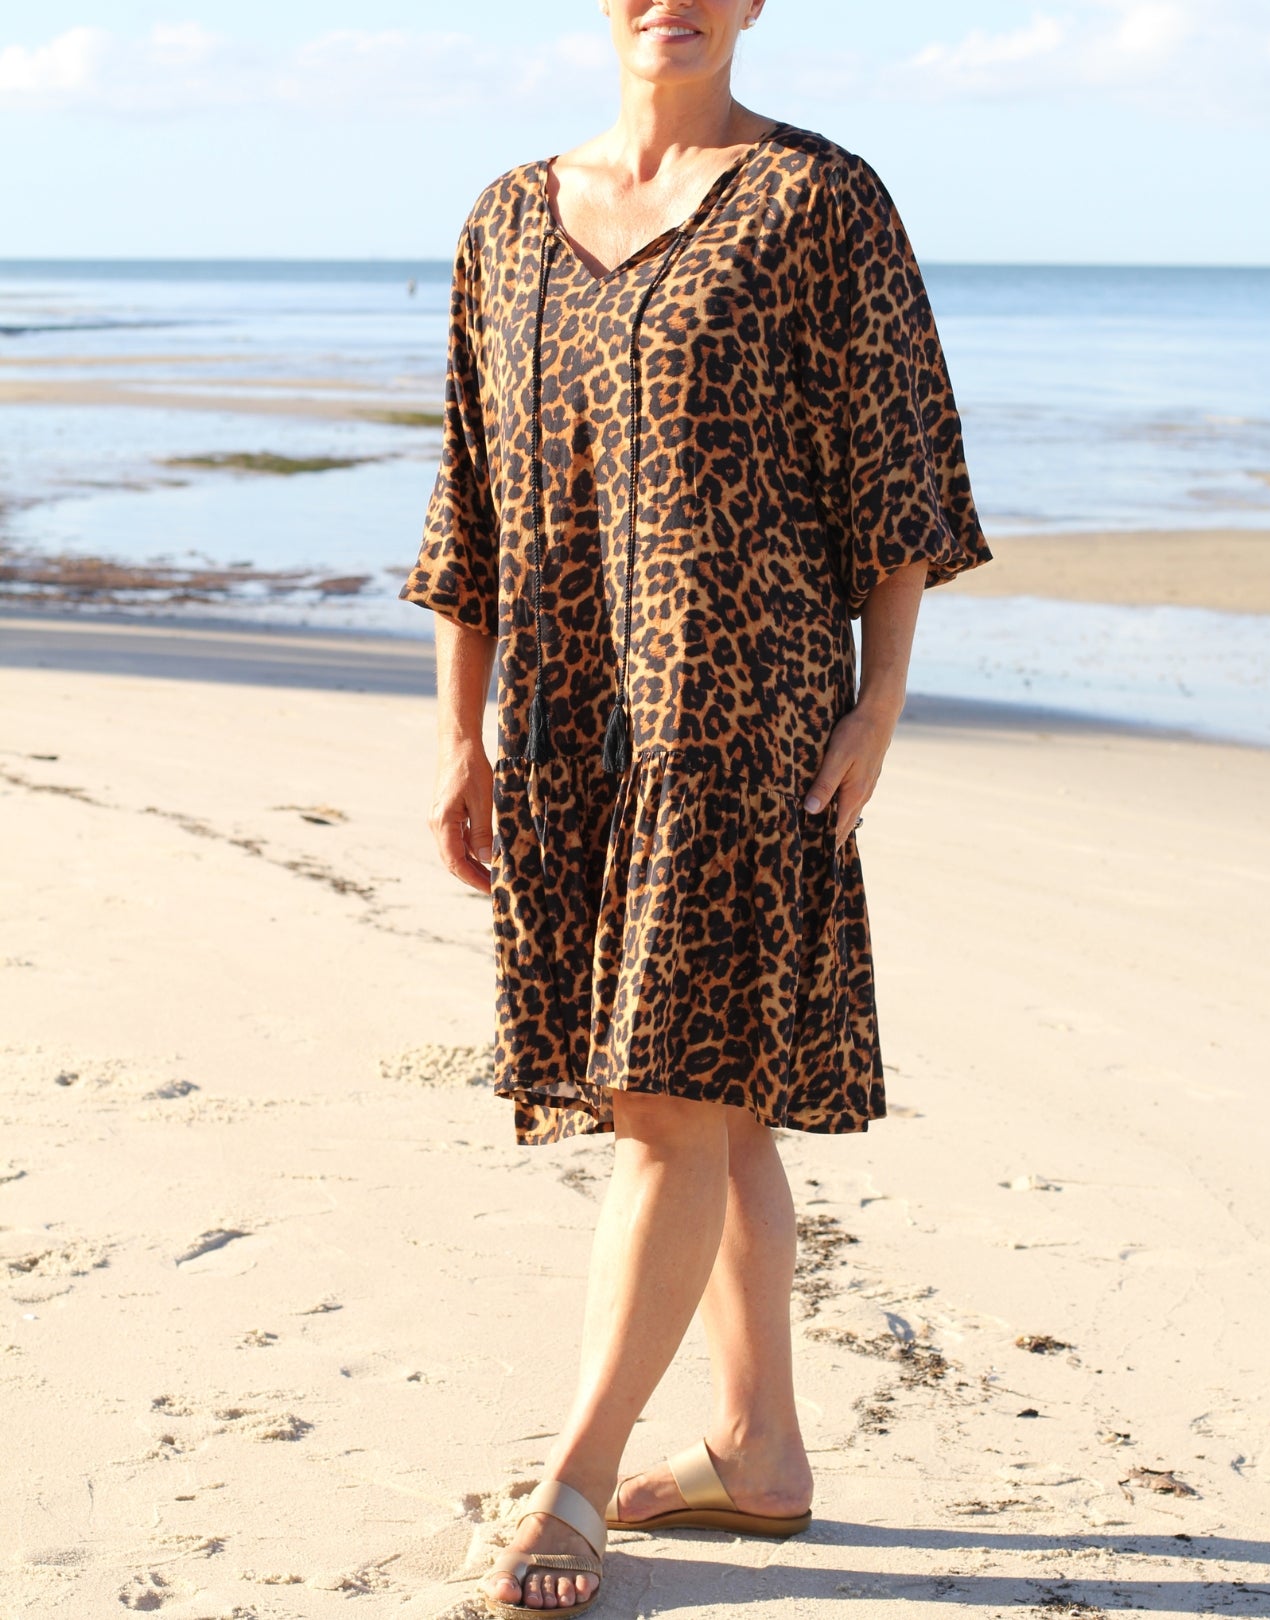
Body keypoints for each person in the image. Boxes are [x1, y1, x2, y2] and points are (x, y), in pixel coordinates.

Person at [401, 2, 990, 1613]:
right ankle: (760, 1453)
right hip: (570, 720)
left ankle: (574, 1481)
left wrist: (880, 697)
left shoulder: (819, 200)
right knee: (712, 1100)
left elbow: (898, 467)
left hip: (748, 714)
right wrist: (460, 738)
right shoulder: (507, 221)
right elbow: (470, 495)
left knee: (664, 1092)